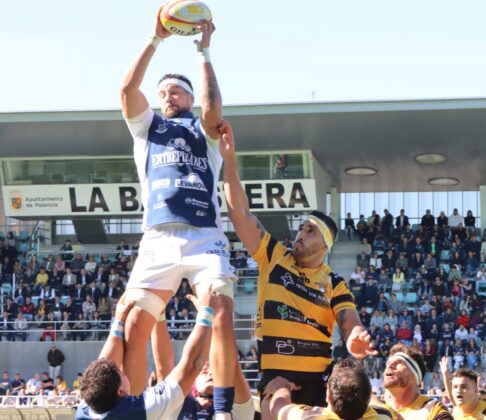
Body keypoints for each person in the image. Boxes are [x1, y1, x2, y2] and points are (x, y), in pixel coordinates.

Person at [119, 5, 236, 404]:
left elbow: (212, 106)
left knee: (219, 308)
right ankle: (134, 407)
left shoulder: (206, 130)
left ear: (189, 96)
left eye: (175, 90)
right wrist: (155, 38)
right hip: (158, 239)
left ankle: (222, 409)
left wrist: (203, 52)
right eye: (163, 92)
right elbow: (126, 91)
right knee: (136, 324)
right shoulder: (147, 127)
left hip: (204, 236)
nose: (167, 96)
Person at [219, 121, 376, 414]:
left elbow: (348, 320)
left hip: (320, 380)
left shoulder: (334, 282)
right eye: (301, 228)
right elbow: (240, 214)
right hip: (276, 376)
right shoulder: (273, 255)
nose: (300, 234)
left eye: (309, 231)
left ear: (325, 246)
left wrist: (355, 336)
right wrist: (229, 161)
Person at [75, 285, 219, 419]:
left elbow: (103, 364)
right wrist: (207, 312)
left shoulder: (88, 407)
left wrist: (119, 322)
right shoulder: (139, 411)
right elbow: (191, 365)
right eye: (121, 372)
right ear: (121, 392)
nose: (122, 366)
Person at [266, 358, 398, 419]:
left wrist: (281, 388)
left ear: (328, 396)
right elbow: (379, 405)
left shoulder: (312, 417)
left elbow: (278, 408)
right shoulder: (385, 416)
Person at [384, 344, 452, 419]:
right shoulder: (374, 411)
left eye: (399, 362)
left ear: (415, 375)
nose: (390, 366)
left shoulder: (433, 410)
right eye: (388, 363)